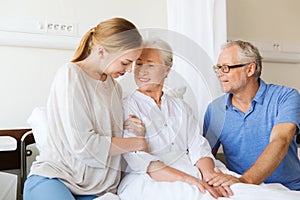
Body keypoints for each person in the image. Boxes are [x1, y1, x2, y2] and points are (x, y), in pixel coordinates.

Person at [23, 17, 148, 200]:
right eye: (125, 62)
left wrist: (130, 127)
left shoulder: (115, 87)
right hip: (56, 178)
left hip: (99, 189)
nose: (129, 70)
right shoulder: (71, 75)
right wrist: (137, 143)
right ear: (102, 51)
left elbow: (105, 129)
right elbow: (85, 146)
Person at [117, 39, 234, 200]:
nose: (142, 71)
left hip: (191, 169)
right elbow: (139, 160)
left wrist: (208, 176)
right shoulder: (127, 107)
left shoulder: (181, 107)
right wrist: (190, 180)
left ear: (167, 69)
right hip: (149, 179)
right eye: (138, 64)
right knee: (201, 195)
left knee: (241, 192)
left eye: (150, 65)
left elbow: (197, 147)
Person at [203, 40, 300, 191]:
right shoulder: (214, 109)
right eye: (218, 68)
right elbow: (205, 155)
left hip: (289, 189)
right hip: (244, 191)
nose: (220, 74)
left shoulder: (285, 97)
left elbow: (280, 141)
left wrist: (245, 180)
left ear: (250, 69)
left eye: (226, 68)